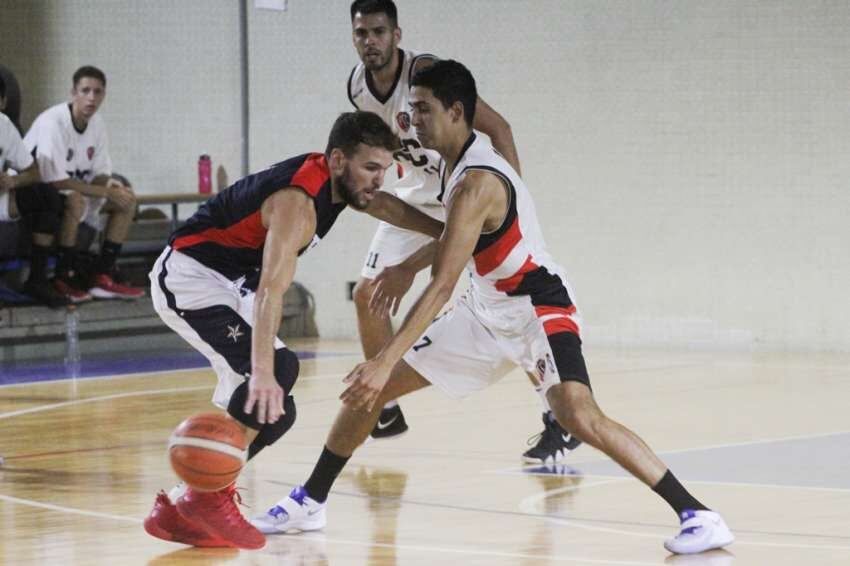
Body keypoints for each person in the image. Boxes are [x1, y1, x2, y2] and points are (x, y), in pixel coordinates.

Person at [251, 61, 734, 556]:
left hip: (537, 309)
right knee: (367, 396)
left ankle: (698, 513)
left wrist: (384, 358)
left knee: (578, 415)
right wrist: (405, 268)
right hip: (486, 310)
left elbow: (442, 285)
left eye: (422, 109)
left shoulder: (475, 181)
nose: (412, 120)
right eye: (411, 108)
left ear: (456, 112)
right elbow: (460, 240)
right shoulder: (454, 165)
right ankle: (311, 498)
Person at [142, 111, 443, 550]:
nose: (380, 180)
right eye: (371, 169)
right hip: (191, 277)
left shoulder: (342, 184)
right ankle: (208, 498)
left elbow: (387, 205)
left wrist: (448, 230)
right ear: (339, 159)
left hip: (229, 283)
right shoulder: (298, 203)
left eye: (384, 169)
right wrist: (262, 371)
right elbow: (271, 291)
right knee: (275, 375)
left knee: (277, 412)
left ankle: (178, 506)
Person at [346, 0, 572, 460]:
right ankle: (383, 403)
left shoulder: (424, 74)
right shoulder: (357, 88)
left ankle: (555, 414)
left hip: (463, 189)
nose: (370, 41)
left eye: (378, 32)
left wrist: (512, 202)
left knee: (502, 301)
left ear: (397, 35)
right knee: (367, 294)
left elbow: (499, 127)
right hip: (417, 194)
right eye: (361, 33)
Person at [23, 65, 143, 303]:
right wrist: (105, 190)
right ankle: (63, 276)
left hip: (69, 188)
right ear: (73, 93)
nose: (91, 98)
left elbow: (99, 174)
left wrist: (114, 188)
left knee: (127, 201)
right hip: (34, 193)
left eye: (97, 92)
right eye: (85, 90)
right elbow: (55, 181)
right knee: (75, 200)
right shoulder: (53, 122)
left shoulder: (97, 124)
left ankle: (103, 275)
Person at [0, 74, 69, 308]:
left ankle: (38, 279)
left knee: (47, 195)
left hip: (2, 198)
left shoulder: (4, 126)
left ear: (2, 103)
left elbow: (34, 171)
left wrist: (14, 182)